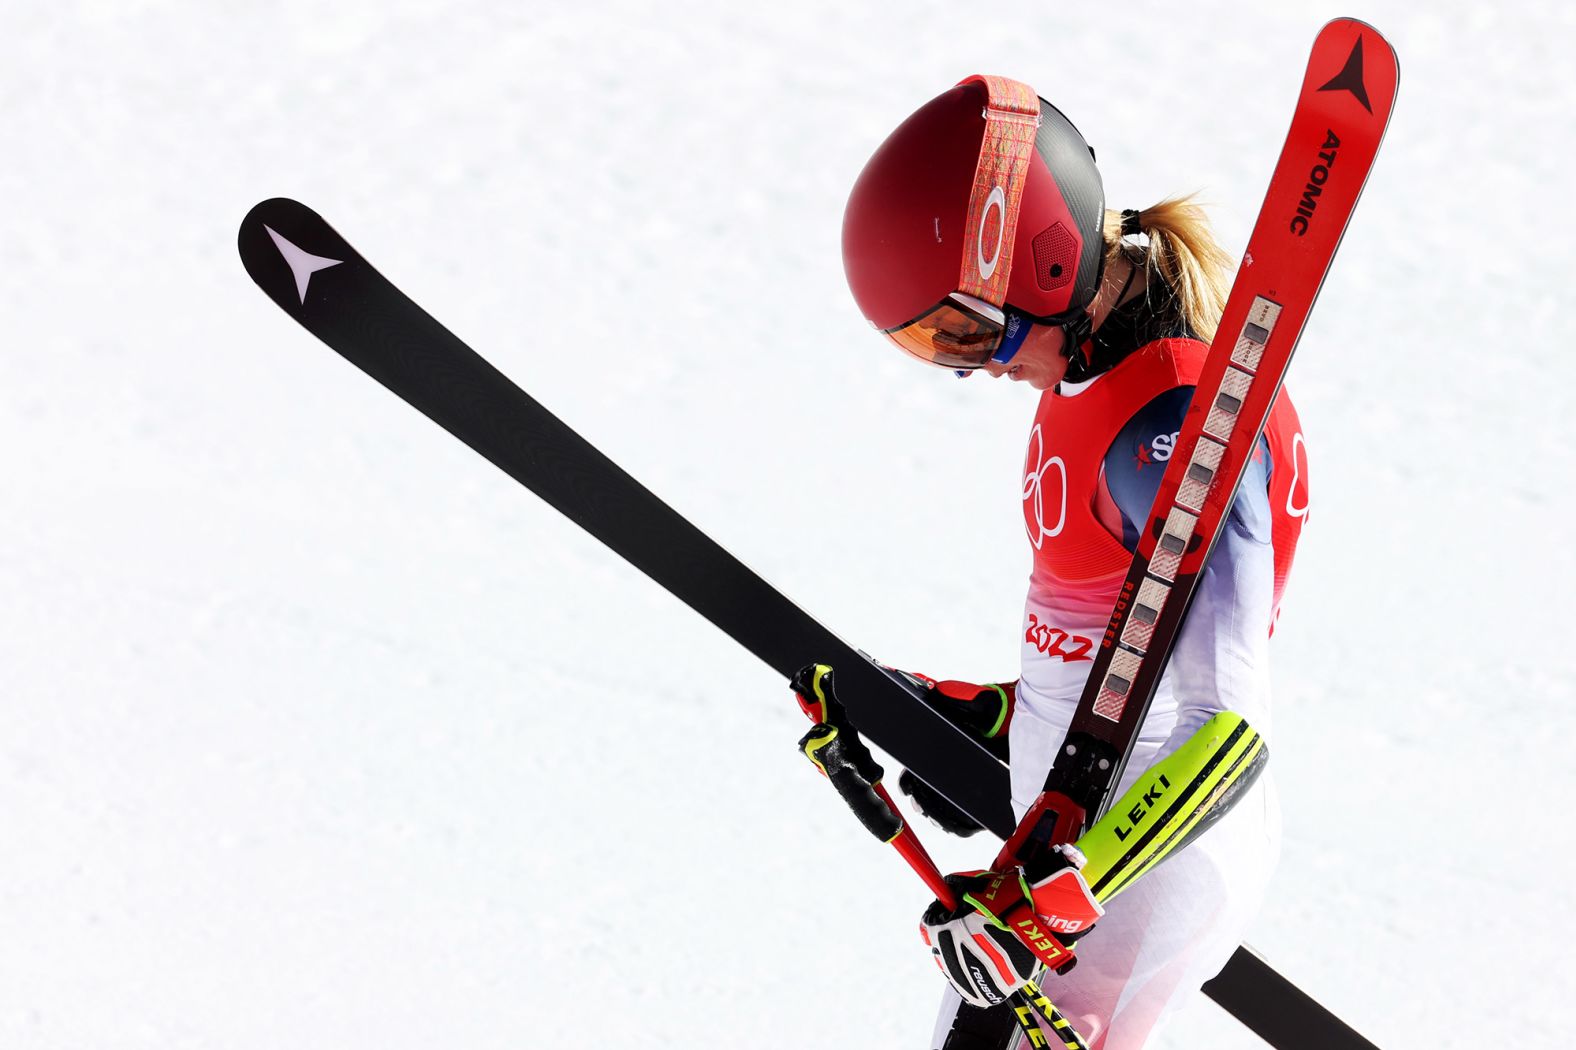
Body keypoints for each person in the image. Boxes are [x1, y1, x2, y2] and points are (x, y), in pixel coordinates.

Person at [839, 76, 1309, 1049]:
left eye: (964, 330)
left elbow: (1228, 728)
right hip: (1062, 854)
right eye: (934, 349)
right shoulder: (1091, 381)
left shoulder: (1173, 423)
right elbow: (1113, 654)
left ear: (1044, 263)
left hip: (1141, 871)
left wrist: (1073, 890)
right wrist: (990, 718)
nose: (972, 368)